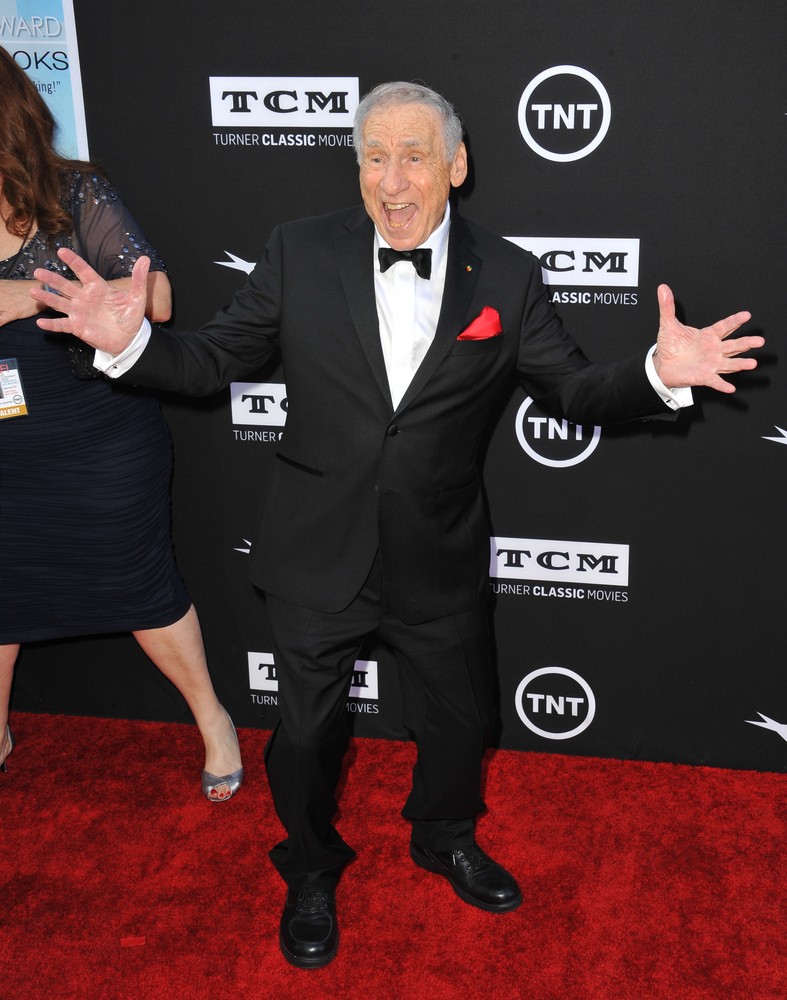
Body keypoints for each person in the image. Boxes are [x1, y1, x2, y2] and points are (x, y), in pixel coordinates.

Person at [31, 81, 762, 968]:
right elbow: (213, 358)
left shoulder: (507, 274)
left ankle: (443, 836)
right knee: (305, 737)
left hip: (437, 552)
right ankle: (309, 865)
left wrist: (653, 374)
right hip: (315, 547)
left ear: (456, 165)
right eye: (372, 157)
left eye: (412, 157)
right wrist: (131, 346)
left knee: (461, 726)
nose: (390, 180)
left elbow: (572, 389)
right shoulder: (299, 250)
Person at [0, 46, 242, 801]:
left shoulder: (75, 193)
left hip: (97, 433)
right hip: (4, 446)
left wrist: (26, 295)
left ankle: (213, 720)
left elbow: (157, 299)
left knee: (142, 585)